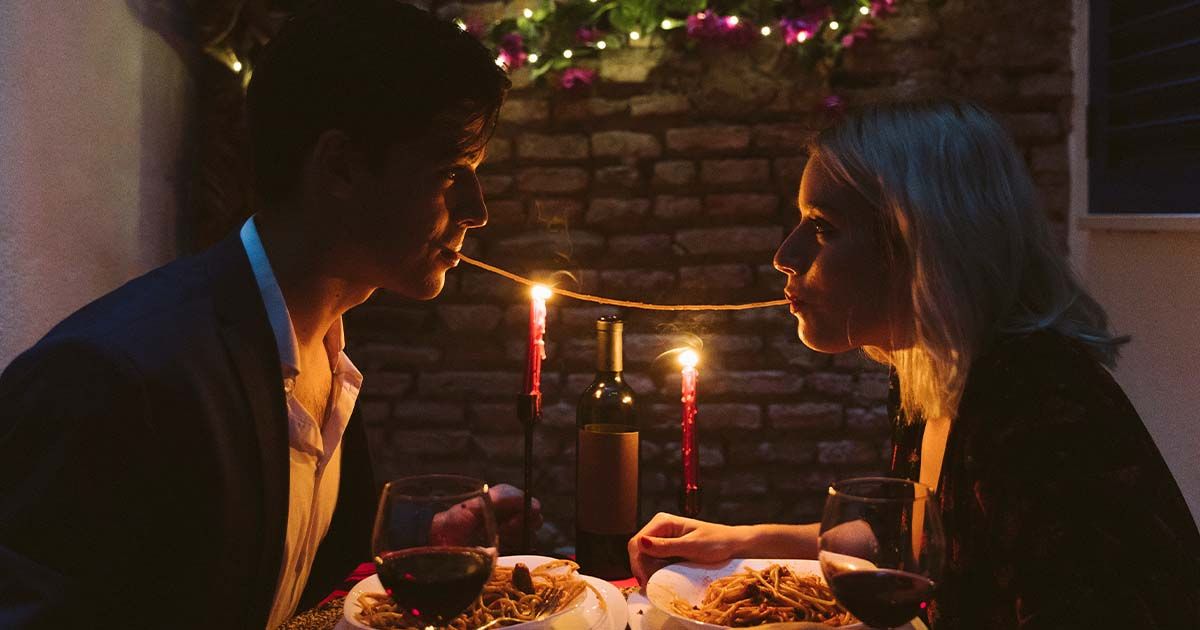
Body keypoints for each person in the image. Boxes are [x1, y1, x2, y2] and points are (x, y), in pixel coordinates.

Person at [0, 2, 539, 628]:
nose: (477, 211)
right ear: (339, 166)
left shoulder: (323, 354)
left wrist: (424, 545)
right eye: (452, 172)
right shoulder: (113, 377)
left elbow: (258, 578)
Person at [628, 100, 1200, 629]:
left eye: (822, 227)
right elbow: (910, 536)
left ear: (922, 243)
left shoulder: (1038, 414)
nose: (785, 256)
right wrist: (740, 540)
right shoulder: (937, 368)